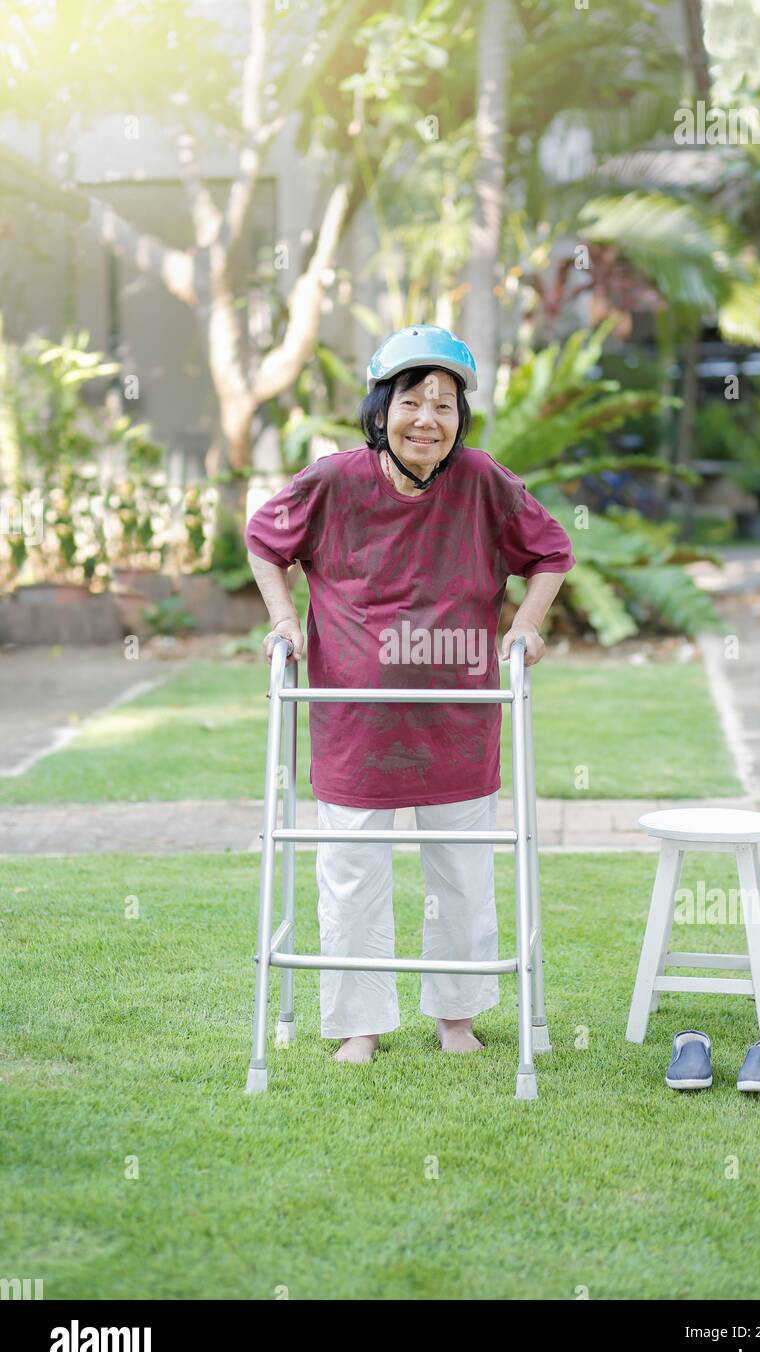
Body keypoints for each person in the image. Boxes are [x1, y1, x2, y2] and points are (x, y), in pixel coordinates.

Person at [245, 324, 575, 1063]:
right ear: (380, 409)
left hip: (459, 719)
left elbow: (551, 550)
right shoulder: (333, 480)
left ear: (461, 422)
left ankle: (457, 1017)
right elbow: (266, 541)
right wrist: (282, 618)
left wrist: (527, 624)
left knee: (460, 872)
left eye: (445, 405)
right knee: (352, 870)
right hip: (354, 722)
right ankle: (359, 1024)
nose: (428, 418)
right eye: (413, 401)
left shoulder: (484, 481)